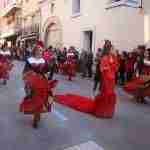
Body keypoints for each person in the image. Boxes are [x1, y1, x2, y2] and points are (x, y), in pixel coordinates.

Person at [20, 41, 54, 128]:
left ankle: (38, 113)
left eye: (41, 50)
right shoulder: (29, 60)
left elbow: (47, 71)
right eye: (39, 50)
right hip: (32, 81)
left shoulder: (44, 60)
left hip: (42, 81)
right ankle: (35, 113)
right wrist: (30, 77)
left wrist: (47, 74)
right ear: (35, 51)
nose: (40, 51)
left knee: (44, 97)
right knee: (32, 97)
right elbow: (26, 71)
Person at [94, 44, 118, 118]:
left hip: (112, 78)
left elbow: (116, 67)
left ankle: (108, 111)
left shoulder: (114, 58)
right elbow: (101, 68)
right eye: (112, 49)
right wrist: (107, 67)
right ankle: (102, 111)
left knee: (110, 94)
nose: (114, 50)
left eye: (114, 49)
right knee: (106, 93)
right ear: (109, 50)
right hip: (106, 78)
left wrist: (113, 66)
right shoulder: (105, 58)